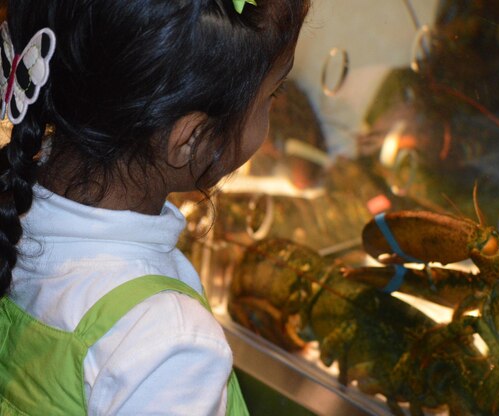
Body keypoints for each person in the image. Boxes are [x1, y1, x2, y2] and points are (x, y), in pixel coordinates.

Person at [0, 0, 309, 414]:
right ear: (192, 139)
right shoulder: (170, 344)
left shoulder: (13, 207)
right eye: (273, 93)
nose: (273, 107)